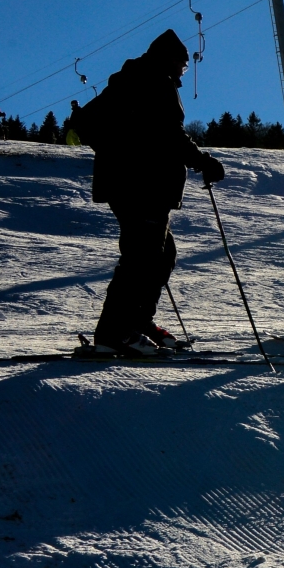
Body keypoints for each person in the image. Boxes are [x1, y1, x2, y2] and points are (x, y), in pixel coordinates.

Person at [82, 30, 225, 355]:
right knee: (141, 258)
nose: (182, 73)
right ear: (169, 58)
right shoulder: (151, 80)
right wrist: (202, 161)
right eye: (182, 65)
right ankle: (113, 333)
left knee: (161, 255)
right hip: (140, 184)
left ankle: (136, 321)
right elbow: (167, 133)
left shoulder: (135, 78)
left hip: (134, 184)